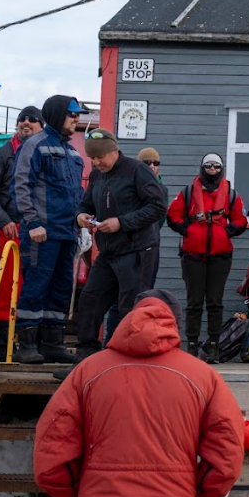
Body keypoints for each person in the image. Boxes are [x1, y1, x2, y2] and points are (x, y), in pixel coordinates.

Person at [33, 290, 244, 497]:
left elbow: (51, 460)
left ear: (127, 318)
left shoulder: (87, 372)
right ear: (175, 322)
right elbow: (226, 460)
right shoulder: (202, 377)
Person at [67, 129, 168, 374]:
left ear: (114, 151)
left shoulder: (137, 170)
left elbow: (158, 206)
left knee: (129, 307)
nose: (96, 162)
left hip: (137, 250)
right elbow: (86, 203)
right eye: (92, 158)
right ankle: (85, 358)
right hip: (109, 251)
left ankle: (125, 363)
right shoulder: (97, 175)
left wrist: (122, 222)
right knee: (90, 299)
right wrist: (81, 216)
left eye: (100, 157)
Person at [10, 96, 86, 364]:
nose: (76, 118)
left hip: (67, 233)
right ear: (56, 114)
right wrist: (32, 223)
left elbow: (77, 193)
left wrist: (81, 223)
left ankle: (52, 343)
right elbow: (21, 185)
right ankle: (26, 345)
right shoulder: (35, 145)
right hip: (41, 233)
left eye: (77, 114)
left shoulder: (73, 153)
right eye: (72, 114)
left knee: (61, 288)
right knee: (36, 286)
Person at [0, 105, 42, 358]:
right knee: (6, 291)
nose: (26, 122)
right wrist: (3, 221)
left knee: (37, 289)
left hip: (41, 234)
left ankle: (32, 347)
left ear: (42, 126)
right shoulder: (2, 155)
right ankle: (4, 352)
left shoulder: (46, 155)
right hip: (11, 233)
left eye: (32, 119)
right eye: (22, 119)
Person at [167, 153, 248, 356]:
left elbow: (241, 220)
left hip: (220, 256)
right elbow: (173, 215)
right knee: (194, 303)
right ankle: (192, 346)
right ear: (202, 167)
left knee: (215, 303)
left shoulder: (230, 195)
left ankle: (214, 347)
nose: (212, 169)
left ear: (222, 168)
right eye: (208, 165)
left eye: (216, 166)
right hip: (192, 255)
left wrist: (226, 232)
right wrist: (188, 230)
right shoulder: (188, 193)